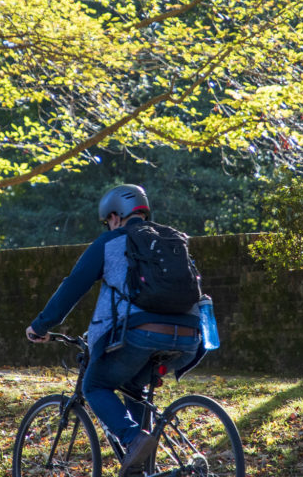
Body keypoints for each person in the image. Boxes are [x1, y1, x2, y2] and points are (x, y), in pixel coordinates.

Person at [26, 184, 204, 476]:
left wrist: (41, 325)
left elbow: (73, 285)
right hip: (187, 338)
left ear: (116, 215)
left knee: (94, 385)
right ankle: (141, 467)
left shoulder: (110, 241)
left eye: (108, 220)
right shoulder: (173, 241)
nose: (108, 225)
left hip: (138, 334)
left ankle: (134, 439)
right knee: (134, 387)